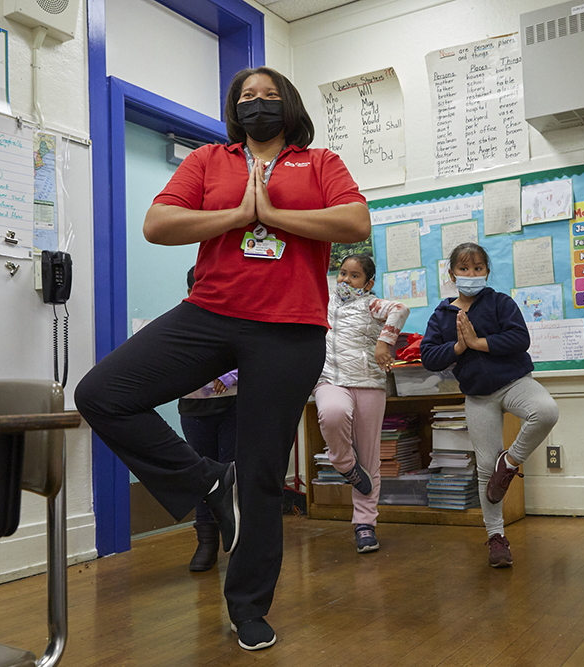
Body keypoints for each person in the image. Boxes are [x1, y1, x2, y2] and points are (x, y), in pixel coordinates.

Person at [74, 66, 370, 651]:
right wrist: (237, 215)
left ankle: (248, 608)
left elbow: (354, 222)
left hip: (290, 330)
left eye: (270, 95)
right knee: (102, 394)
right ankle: (209, 482)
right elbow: (159, 223)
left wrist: (272, 215)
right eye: (246, 97)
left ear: (290, 103)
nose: (258, 104)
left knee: (261, 472)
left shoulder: (320, 163)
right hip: (210, 313)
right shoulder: (210, 159)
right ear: (234, 110)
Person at [420, 242, 559, 568]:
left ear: (487, 271)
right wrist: (457, 346)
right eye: (464, 269)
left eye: (478, 268)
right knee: (485, 468)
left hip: (515, 383)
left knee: (547, 411)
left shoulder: (499, 302)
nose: (471, 275)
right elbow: (428, 356)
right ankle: (496, 537)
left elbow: (519, 338)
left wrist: (477, 343)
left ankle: (509, 464)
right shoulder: (442, 315)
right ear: (451, 273)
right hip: (478, 397)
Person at [313, 254, 410, 553]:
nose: (345, 280)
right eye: (342, 274)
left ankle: (365, 524)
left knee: (369, 458)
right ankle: (343, 463)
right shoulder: (324, 302)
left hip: (368, 382)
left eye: (354, 276)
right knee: (331, 413)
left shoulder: (372, 304)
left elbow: (400, 309)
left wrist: (384, 342)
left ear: (367, 283)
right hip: (330, 379)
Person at [177, 265, 238, 572]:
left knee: (231, 473)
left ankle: (239, 540)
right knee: (202, 474)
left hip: (234, 407)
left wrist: (231, 374)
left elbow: (255, 356)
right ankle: (206, 542)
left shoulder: (237, 319)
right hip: (195, 409)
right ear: (190, 291)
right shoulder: (181, 323)